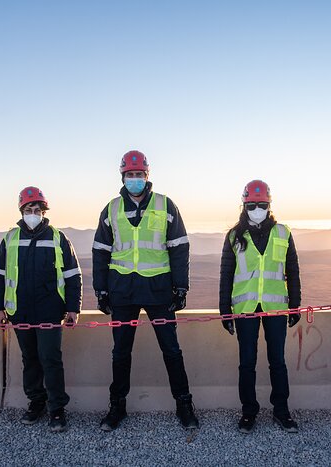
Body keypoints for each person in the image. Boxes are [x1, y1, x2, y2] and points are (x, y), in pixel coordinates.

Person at [92, 150, 199, 431]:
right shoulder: (112, 208)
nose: (135, 179)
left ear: (147, 176)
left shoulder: (166, 205)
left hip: (158, 289)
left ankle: (184, 405)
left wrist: (181, 286)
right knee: (120, 353)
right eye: (130, 175)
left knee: (172, 350)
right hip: (122, 290)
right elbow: (100, 251)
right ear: (123, 177)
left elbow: (179, 248)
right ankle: (117, 407)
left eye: (139, 175)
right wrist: (100, 290)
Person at [0, 186, 82, 432]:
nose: (34, 213)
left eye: (38, 209)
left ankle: (57, 409)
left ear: (44, 212)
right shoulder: (10, 239)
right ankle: (36, 402)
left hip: (50, 312)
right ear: (21, 211)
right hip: (19, 312)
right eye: (29, 209)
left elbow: (73, 275)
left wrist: (74, 308)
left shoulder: (58, 237)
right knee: (30, 359)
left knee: (50, 359)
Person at [219, 180, 302, 434]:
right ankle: (248, 412)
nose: (257, 208)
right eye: (252, 204)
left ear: (269, 205)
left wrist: (295, 304)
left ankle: (281, 411)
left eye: (262, 204)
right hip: (245, 307)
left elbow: (293, 270)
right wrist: (225, 310)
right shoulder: (234, 236)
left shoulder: (283, 232)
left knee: (277, 361)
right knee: (247, 363)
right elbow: (226, 274)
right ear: (244, 205)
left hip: (275, 307)